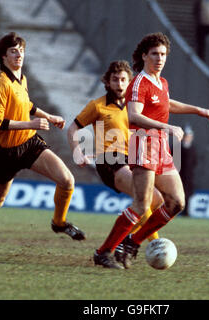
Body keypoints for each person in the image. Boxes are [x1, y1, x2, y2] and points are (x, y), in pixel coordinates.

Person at [93, 32, 209, 269]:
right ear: (144, 56)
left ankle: (132, 242)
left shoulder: (161, 82)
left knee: (176, 202)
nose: (159, 58)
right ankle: (104, 252)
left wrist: (200, 110)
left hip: (160, 146)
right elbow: (133, 115)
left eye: (163, 54)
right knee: (142, 206)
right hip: (144, 144)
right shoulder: (139, 82)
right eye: (154, 54)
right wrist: (167, 126)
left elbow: (167, 103)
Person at [0, 32, 85, 257]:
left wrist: (48, 116)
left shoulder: (21, 78)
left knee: (67, 180)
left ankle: (59, 223)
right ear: (3, 57)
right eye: (13, 50)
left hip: (30, 144)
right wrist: (31, 123)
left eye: (21, 49)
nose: (19, 53)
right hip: (7, 152)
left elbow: (26, 104)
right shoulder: (0, 82)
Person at [67, 60, 164, 269]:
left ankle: (122, 244)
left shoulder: (136, 107)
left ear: (130, 83)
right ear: (107, 82)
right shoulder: (98, 105)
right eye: (115, 79)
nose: (119, 84)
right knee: (144, 199)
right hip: (110, 161)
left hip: (133, 160)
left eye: (123, 80)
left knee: (157, 200)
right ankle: (150, 244)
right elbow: (72, 129)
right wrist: (78, 151)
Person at [179, 125, 198, 217]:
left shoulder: (193, 148)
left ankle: (186, 211)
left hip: (189, 176)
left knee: (188, 194)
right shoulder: (177, 147)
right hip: (179, 175)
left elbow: (194, 161)